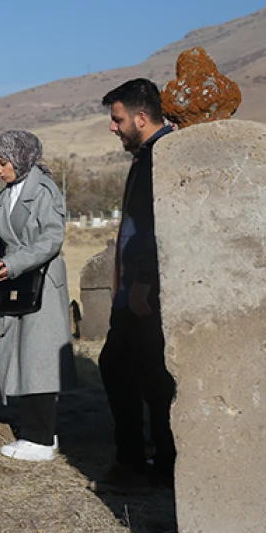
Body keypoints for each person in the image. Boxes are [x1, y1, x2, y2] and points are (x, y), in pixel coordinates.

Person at [93, 78, 176, 491]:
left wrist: (143, 279)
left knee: (145, 375)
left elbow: (156, 226)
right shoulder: (147, 156)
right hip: (133, 290)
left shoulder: (163, 157)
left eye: (118, 118)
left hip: (147, 292)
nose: (113, 127)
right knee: (133, 371)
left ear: (141, 118)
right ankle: (149, 460)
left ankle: (149, 463)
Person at [0, 130, 77, 462]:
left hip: (40, 281)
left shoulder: (43, 189)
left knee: (37, 357)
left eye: (2, 163)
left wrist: (12, 264)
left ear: (21, 158)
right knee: (22, 354)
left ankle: (39, 439)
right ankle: (39, 433)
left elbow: (52, 238)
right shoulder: (9, 192)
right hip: (15, 281)